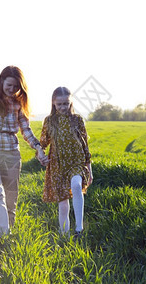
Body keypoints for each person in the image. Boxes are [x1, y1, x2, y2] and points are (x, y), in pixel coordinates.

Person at [0, 66, 48, 236]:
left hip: (11, 154)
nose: (12, 89)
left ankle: (8, 231)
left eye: (16, 87)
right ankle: (5, 237)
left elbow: (26, 130)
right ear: (2, 81)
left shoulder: (18, 103)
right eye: (9, 85)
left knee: (11, 199)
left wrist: (39, 149)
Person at [39, 86, 93, 238]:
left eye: (66, 103)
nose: (63, 107)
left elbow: (85, 146)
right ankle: (64, 236)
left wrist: (90, 170)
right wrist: (40, 154)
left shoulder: (77, 120)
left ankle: (79, 229)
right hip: (57, 166)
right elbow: (42, 143)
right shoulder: (49, 121)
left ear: (71, 102)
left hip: (77, 162)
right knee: (63, 205)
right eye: (59, 104)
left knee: (76, 186)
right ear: (53, 103)